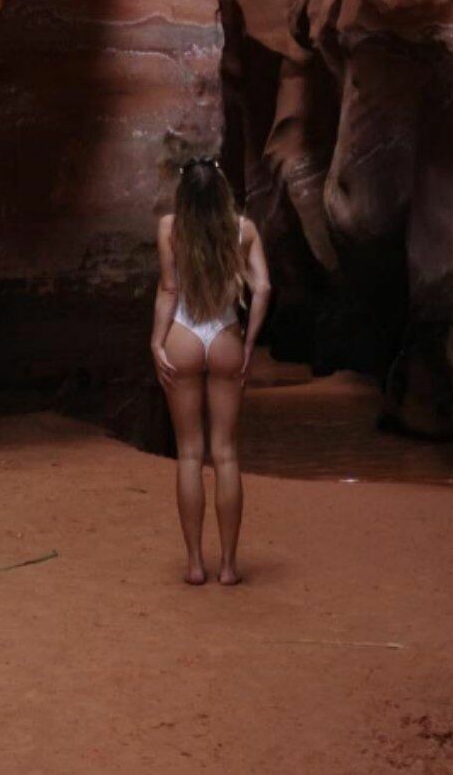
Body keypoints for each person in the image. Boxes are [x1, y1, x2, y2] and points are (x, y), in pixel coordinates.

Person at [150, 155, 271, 585]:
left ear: (184, 194)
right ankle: (229, 567)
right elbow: (263, 288)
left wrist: (156, 341)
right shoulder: (244, 230)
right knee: (225, 453)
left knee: (189, 453)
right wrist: (249, 343)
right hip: (224, 337)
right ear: (222, 191)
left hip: (183, 334)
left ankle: (195, 564)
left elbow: (169, 289)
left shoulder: (170, 228)